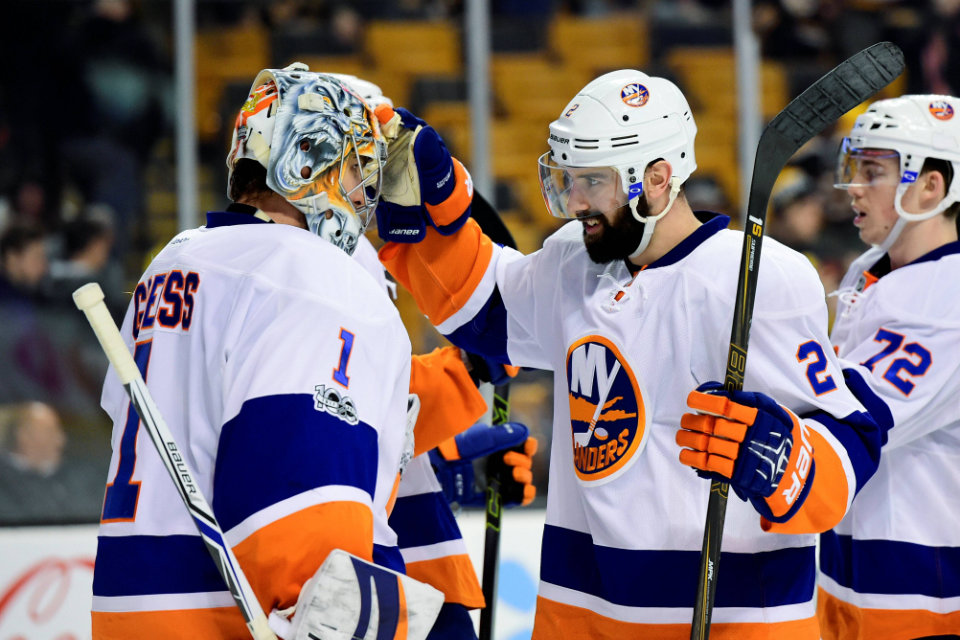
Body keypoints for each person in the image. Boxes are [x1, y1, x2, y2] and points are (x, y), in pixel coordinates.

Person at [373, 69, 890, 638]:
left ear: (659, 178)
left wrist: (789, 461)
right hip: (579, 614)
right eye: (567, 178)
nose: (573, 201)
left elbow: (850, 436)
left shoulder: (756, 278)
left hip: (730, 619)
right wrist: (429, 212)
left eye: (592, 181)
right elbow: (488, 312)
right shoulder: (573, 261)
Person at [90, 66, 415, 638]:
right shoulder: (314, 277)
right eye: (353, 168)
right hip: (228, 617)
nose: (361, 195)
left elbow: (123, 410)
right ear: (308, 161)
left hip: (125, 603)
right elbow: (301, 487)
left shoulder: (172, 260)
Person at [338, 73, 538, 638]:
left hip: (410, 568)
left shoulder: (352, 251)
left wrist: (448, 467)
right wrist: (471, 371)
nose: (379, 174)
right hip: (362, 581)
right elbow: (343, 405)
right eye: (364, 157)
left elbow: (361, 412)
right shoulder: (315, 261)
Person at [818, 95, 960, 640]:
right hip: (849, 573)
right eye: (855, 168)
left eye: (873, 172)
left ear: (931, 187)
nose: (854, 186)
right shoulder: (869, 269)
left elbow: (854, 414)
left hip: (923, 588)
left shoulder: (946, 296)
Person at [0, 401, 103, 524]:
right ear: (24, 435)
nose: (61, 440)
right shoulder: (5, 483)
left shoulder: (81, 477)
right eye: (50, 431)